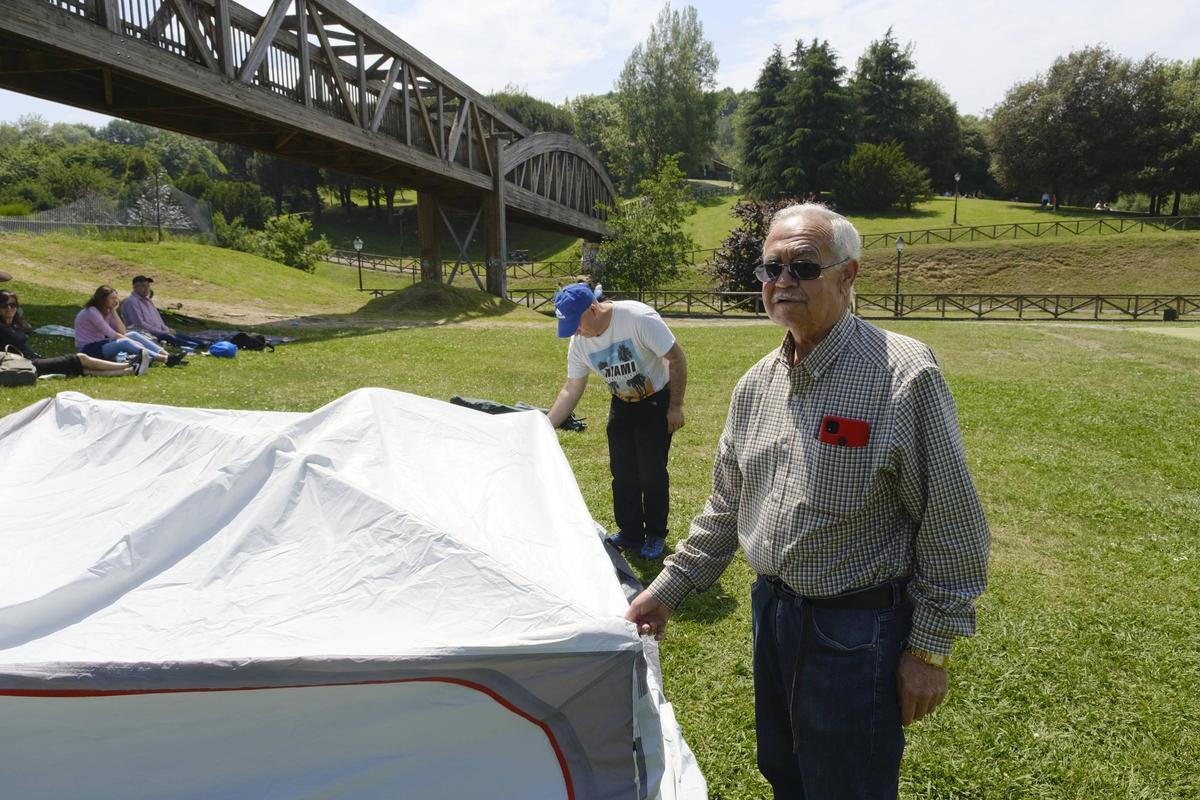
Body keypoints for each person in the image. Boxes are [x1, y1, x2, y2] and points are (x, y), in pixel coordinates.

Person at [625, 203, 990, 799]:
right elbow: (726, 509)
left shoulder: (902, 374)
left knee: (848, 785)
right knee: (785, 771)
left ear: (848, 276)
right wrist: (666, 590)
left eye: (803, 265)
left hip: (857, 629)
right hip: (772, 614)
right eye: (771, 267)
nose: (782, 281)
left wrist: (928, 649)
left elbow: (952, 524)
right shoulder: (756, 384)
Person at [547, 283, 687, 560]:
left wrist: (675, 406)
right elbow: (571, 388)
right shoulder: (579, 344)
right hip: (621, 404)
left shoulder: (637, 319)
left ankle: (656, 534)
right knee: (622, 474)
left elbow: (675, 357)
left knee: (651, 472)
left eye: (576, 324)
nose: (576, 331)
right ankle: (630, 533)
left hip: (655, 401)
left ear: (593, 308)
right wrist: (546, 425)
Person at [1, 290, 147, 378]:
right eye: (5, 305)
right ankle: (130, 364)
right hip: (26, 364)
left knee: (79, 369)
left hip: (33, 360)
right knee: (79, 359)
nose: (10, 309)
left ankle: (129, 370)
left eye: (13, 305)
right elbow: (19, 338)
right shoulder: (3, 327)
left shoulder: (12, 325)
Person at [74, 286, 184, 368]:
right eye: (112, 298)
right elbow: (110, 333)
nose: (116, 301)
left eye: (116, 298)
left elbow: (122, 331)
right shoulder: (92, 312)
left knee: (133, 334)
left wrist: (114, 311)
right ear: (102, 299)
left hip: (101, 344)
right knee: (125, 342)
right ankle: (165, 359)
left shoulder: (107, 311)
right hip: (88, 349)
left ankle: (169, 356)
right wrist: (131, 342)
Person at [118, 275, 205, 350]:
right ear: (135, 288)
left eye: (148, 286)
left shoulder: (148, 301)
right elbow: (140, 324)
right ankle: (197, 346)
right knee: (174, 338)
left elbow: (157, 319)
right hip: (146, 334)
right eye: (144, 286)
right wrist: (162, 332)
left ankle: (203, 344)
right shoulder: (131, 302)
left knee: (182, 336)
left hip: (159, 332)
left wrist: (165, 329)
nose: (147, 288)